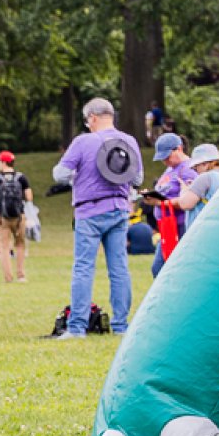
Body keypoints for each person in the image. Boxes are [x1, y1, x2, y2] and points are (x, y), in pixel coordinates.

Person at [52, 97, 143, 339]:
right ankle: (121, 326)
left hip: (89, 212)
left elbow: (59, 174)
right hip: (119, 210)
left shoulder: (83, 141)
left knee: (83, 268)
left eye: (86, 120)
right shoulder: (129, 141)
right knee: (119, 268)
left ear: (92, 117)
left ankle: (77, 327)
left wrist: (77, 177)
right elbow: (137, 179)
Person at [148, 133, 197, 277]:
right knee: (160, 268)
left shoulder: (188, 170)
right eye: (162, 158)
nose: (165, 161)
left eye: (167, 156)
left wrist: (161, 202)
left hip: (180, 225)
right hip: (168, 226)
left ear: (179, 149)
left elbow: (189, 200)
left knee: (164, 268)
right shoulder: (171, 168)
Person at [0, 151, 31, 283]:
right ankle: (21, 275)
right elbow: (29, 197)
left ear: (3, 162)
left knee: (5, 247)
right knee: (20, 245)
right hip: (20, 216)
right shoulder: (21, 178)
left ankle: (8, 277)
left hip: (3, 217)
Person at [170, 143, 219, 222]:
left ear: (205, 164)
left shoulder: (205, 177)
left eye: (195, 168)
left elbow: (185, 204)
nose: (196, 172)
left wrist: (184, 189)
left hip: (203, 230)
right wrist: (194, 186)